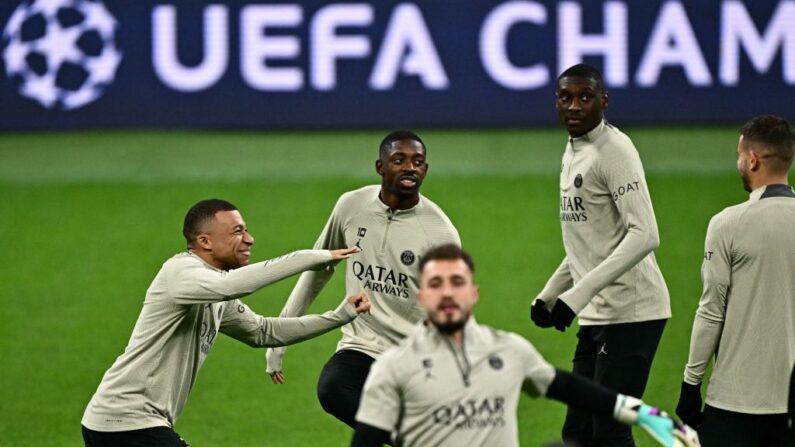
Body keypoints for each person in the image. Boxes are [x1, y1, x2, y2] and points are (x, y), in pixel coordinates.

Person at [81, 199, 371, 446]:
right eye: (237, 231)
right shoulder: (180, 272)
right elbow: (232, 285)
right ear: (205, 241)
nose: (249, 239)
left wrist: (340, 316)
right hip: (125, 419)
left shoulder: (214, 290)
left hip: (128, 421)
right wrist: (313, 257)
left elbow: (262, 332)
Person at [352, 244, 697, 447]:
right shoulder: (393, 368)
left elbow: (568, 387)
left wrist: (643, 414)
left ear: (472, 293)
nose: (446, 292)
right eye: (436, 284)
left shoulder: (508, 351)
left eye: (456, 282)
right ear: (422, 296)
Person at [265, 130, 461, 428]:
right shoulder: (351, 206)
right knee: (333, 389)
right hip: (362, 345)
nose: (410, 167)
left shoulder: (440, 234)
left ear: (425, 170)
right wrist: (279, 338)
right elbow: (317, 269)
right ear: (380, 167)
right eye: (399, 160)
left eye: (418, 162)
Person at [529, 63, 671, 446]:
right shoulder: (573, 150)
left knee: (609, 429)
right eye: (566, 98)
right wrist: (549, 293)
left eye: (585, 97)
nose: (574, 106)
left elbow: (645, 235)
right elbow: (589, 241)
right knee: (577, 431)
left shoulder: (615, 150)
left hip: (633, 313)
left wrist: (575, 296)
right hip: (597, 314)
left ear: (604, 101)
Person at [675, 115, 795, 447]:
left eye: (740, 155)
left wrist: (690, 384)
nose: (739, 162)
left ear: (753, 159)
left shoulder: (728, 224)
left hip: (734, 402)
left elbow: (711, 312)